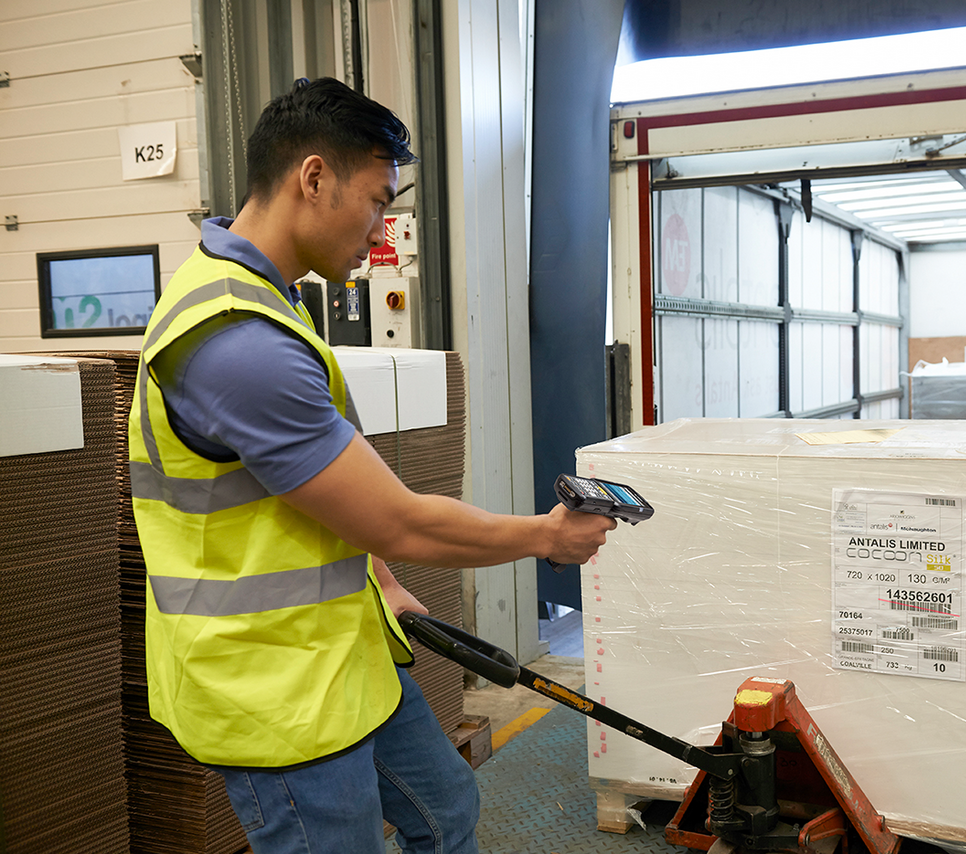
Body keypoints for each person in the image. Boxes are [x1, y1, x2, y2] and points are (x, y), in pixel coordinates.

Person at [126, 77, 615, 854]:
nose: (382, 232)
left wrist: (382, 582)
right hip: (274, 690)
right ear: (314, 178)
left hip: (338, 651)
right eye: (378, 202)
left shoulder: (268, 301)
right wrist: (547, 538)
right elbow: (397, 520)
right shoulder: (235, 342)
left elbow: (309, 496)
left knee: (446, 810)